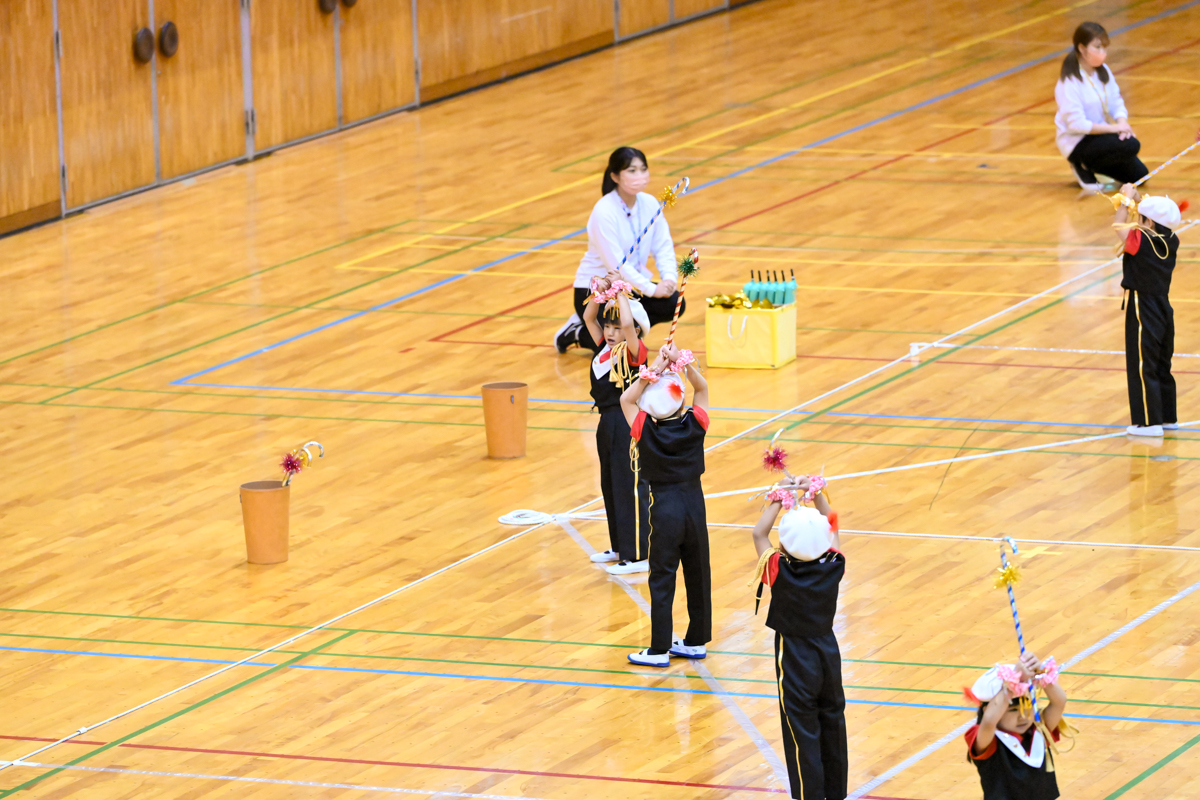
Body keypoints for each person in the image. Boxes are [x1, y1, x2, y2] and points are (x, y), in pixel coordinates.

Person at [749, 476, 847, 800]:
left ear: (785, 544)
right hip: (828, 653)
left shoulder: (779, 569)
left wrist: (778, 499)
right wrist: (815, 494)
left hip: (793, 657)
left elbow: (758, 533)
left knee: (802, 730)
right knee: (832, 720)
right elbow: (833, 525)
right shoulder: (834, 564)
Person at [619, 343, 710, 667]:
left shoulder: (644, 430)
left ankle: (659, 649)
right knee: (698, 572)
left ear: (648, 408)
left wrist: (653, 369)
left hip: (665, 509)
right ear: (681, 400)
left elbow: (625, 399)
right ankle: (696, 641)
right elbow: (702, 388)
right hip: (695, 506)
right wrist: (682, 364)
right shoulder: (696, 423)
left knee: (662, 576)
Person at [554, 147, 684, 353]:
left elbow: (663, 246)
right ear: (615, 176)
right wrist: (651, 290)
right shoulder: (604, 211)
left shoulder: (650, 203)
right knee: (615, 346)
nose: (639, 175)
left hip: (631, 287)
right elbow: (616, 266)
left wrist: (668, 279)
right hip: (598, 290)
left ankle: (630, 333)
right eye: (632, 171)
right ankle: (577, 331)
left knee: (674, 302)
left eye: (643, 169)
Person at [581, 275, 652, 574]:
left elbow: (627, 322)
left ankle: (638, 555)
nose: (610, 332)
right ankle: (620, 546)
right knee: (610, 485)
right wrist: (600, 292)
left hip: (627, 423)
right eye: (608, 327)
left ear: (633, 330)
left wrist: (622, 290)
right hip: (605, 423)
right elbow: (588, 316)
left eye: (617, 327)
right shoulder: (603, 347)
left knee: (629, 487)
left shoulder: (636, 352)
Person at [1114, 183, 1183, 436]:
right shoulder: (1172, 240)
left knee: (1143, 364)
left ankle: (1148, 423)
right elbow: (1145, 226)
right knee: (1162, 364)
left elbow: (1118, 226)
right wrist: (1138, 201)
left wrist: (1125, 200)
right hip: (1163, 306)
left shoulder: (1141, 241)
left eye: (1141, 218)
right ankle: (1167, 417)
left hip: (1142, 306)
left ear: (1150, 223)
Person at [1055, 22, 1148, 191]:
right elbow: (1076, 125)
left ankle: (1099, 167)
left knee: (1140, 176)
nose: (1102, 52)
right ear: (1082, 48)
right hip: (1078, 141)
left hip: (1100, 135)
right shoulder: (1069, 82)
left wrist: (1122, 124)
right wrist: (1114, 129)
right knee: (1131, 145)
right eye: (1097, 47)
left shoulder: (1103, 71)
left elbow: (1116, 101)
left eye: (1104, 47)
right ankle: (1081, 164)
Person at [964, 653, 1069, 800]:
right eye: (1013, 710)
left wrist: (1039, 672)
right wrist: (1013, 683)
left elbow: (1059, 702)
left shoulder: (1039, 730)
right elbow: (989, 721)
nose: (1023, 716)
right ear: (987, 709)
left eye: (1028, 706)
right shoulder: (988, 740)